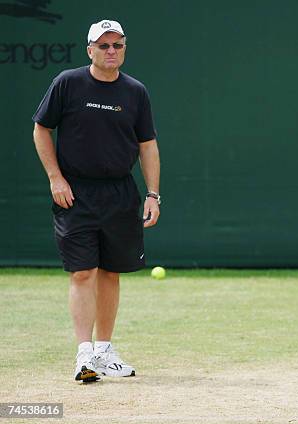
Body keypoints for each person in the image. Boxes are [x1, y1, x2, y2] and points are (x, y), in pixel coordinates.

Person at [32, 19, 161, 382]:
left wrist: (153, 194)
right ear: (89, 50)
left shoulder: (136, 92)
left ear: (124, 49)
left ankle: (104, 351)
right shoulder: (67, 83)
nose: (110, 51)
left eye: (117, 45)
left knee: (110, 272)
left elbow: (147, 145)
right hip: (76, 193)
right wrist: (56, 178)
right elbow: (41, 128)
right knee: (83, 271)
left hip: (120, 194)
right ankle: (84, 356)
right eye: (103, 45)